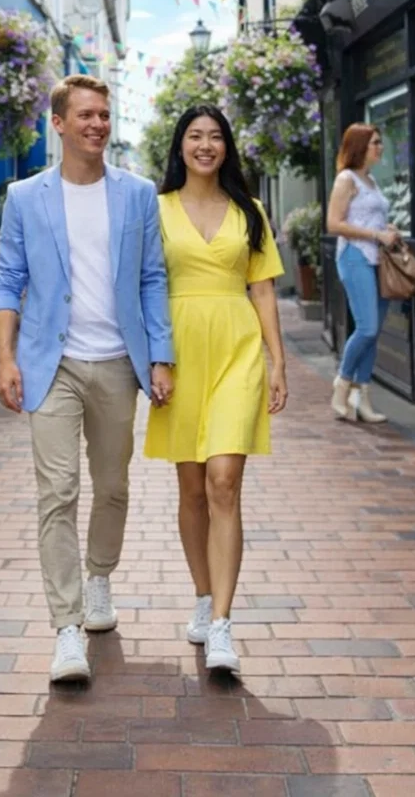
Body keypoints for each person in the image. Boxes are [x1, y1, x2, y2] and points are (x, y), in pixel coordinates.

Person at [0, 74, 175, 684]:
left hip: (119, 361)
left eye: (104, 114)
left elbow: (152, 277)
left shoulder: (137, 193)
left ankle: (100, 577)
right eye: (86, 115)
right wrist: (5, 357)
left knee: (113, 485)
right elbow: (7, 277)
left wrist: (161, 355)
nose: (98, 124)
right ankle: (67, 627)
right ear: (60, 123)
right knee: (58, 492)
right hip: (53, 362)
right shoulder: (24, 196)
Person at [144, 104, 288, 676]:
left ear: (227, 147)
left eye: (216, 137)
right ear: (180, 146)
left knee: (224, 480)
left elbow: (264, 292)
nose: (206, 145)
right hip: (177, 356)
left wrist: (277, 361)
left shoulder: (250, 211)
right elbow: (146, 287)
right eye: (195, 136)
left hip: (236, 350)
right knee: (193, 490)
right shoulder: (153, 210)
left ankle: (224, 622)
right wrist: (155, 359)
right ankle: (203, 594)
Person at [325, 122, 400, 424]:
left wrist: (388, 230)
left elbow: (371, 219)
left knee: (373, 333)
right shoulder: (347, 179)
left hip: (377, 260)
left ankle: (363, 398)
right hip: (355, 257)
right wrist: (375, 235)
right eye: (375, 143)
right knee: (367, 328)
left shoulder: (371, 180)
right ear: (359, 146)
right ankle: (342, 385)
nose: (380, 148)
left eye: (380, 142)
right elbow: (333, 223)